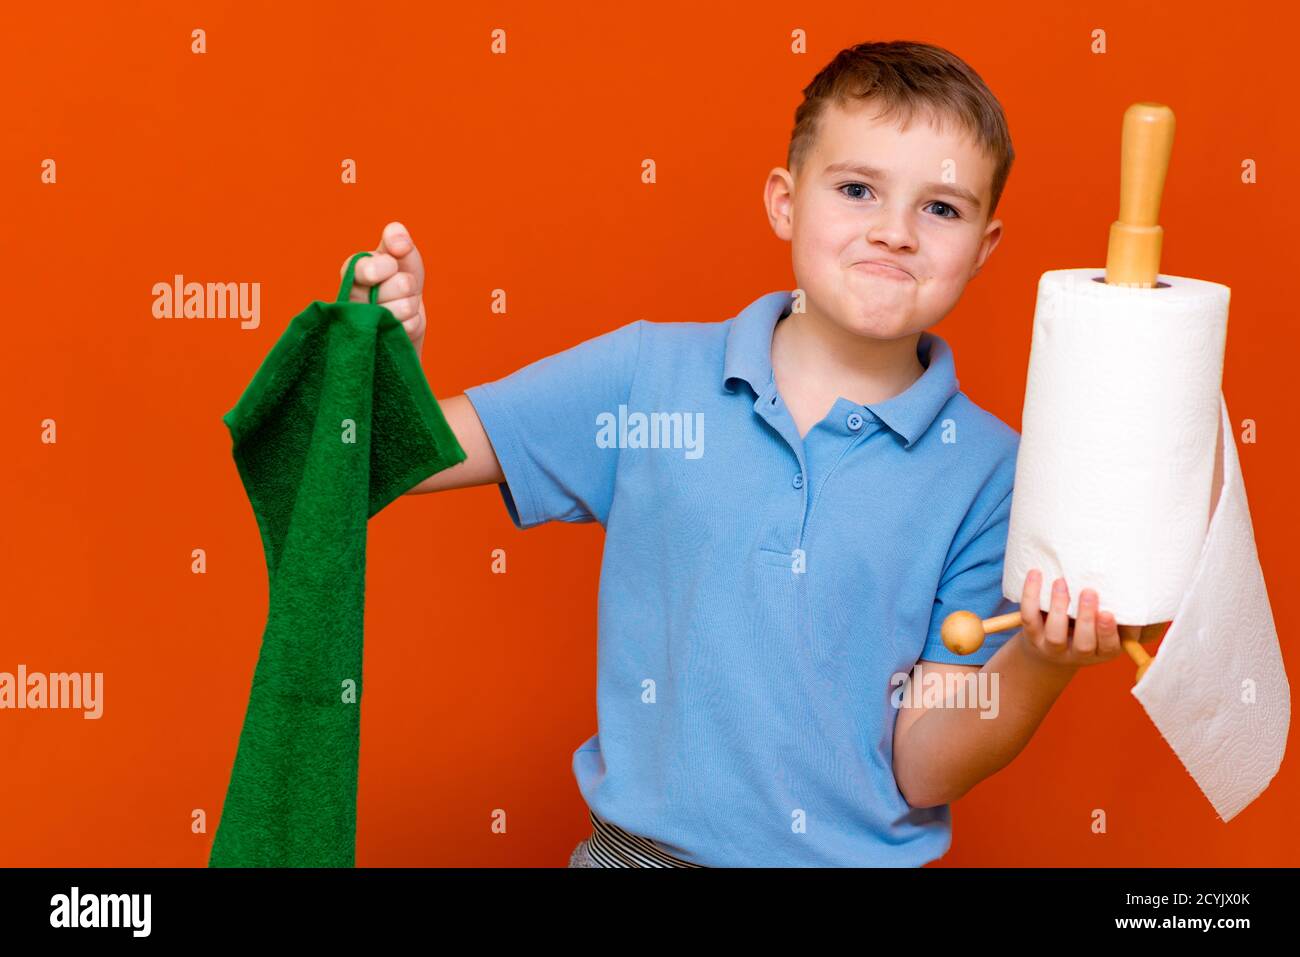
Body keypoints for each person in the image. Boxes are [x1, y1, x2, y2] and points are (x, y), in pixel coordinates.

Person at [343, 40, 1131, 867]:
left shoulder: (994, 474)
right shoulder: (648, 377)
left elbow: (922, 764)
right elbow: (400, 457)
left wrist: (1040, 661)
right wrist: (381, 353)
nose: (894, 232)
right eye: (858, 188)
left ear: (985, 246)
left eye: (941, 208)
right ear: (785, 203)